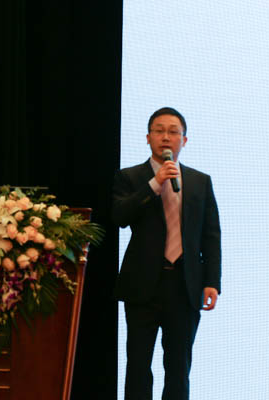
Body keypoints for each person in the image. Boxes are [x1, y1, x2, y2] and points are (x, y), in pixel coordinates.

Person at [112, 107, 221, 400]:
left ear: (184, 140)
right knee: (138, 366)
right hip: (143, 285)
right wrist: (155, 183)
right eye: (159, 131)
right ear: (148, 138)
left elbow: (211, 235)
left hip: (185, 286)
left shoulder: (200, 181)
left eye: (173, 132)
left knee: (178, 368)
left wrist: (212, 281)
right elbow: (120, 216)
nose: (166, 137)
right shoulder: (130, 177)